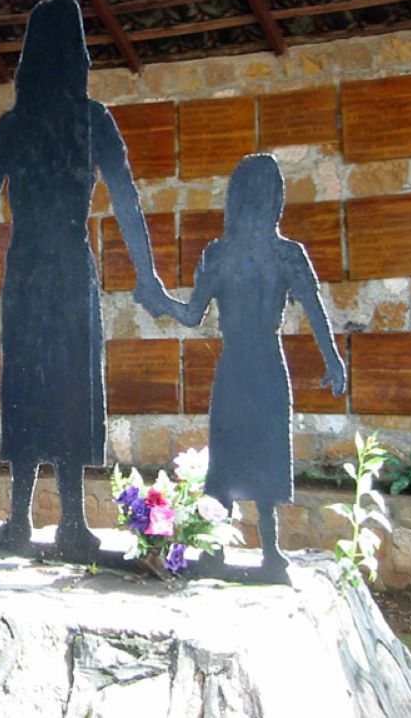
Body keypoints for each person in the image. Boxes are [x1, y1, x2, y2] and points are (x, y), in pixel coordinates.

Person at [0, 0, 169, 561]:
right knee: (64, 383)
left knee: (32, 382)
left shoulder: (19, 122)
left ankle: (24, 517)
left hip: (30, 267)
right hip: (68, 267)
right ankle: (66, 520)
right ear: (77, 54)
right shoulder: (92, 120)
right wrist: (146, 275)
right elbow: (126, 202)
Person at [136, 154, 346, 582]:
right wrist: (333, 359)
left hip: (236, 365)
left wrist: (158, 302)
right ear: (275, 198)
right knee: (260, 451)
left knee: (230, 455)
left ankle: (217, 552)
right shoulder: (286, 254)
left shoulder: (221, 253)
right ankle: (270, 553)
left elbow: (192, 314)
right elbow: (316, 312)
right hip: (266, 363)